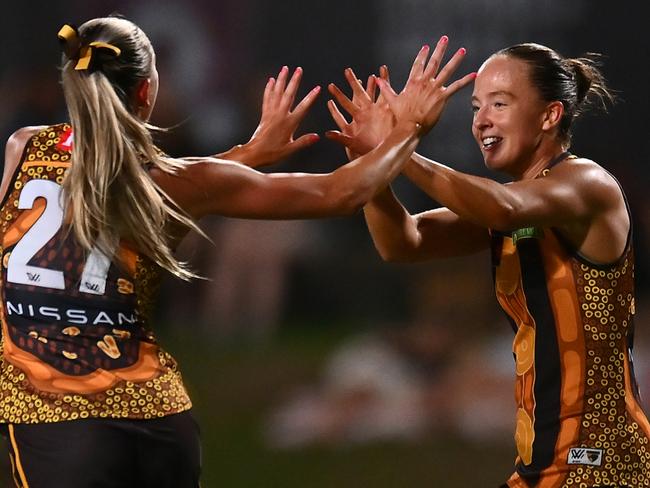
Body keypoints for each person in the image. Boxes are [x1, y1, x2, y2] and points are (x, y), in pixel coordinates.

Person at [0, 16, 474, 488]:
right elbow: (340, 193)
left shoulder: (23, 149)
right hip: (158, 421)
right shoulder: (176, 180)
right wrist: (406, 128)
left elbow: (101, 192)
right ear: (146, 93)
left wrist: (241, 159)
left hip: (56, 421)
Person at [327, 38, 649, 487]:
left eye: (500, 103)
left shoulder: (586, 182)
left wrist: (399, 145)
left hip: (599, 462)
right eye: (477, 106)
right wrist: (374, 168)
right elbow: (404, 242)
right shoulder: (512, 201)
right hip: (547, 460)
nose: (481, 120)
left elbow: (504, 210)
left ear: (550, 115)